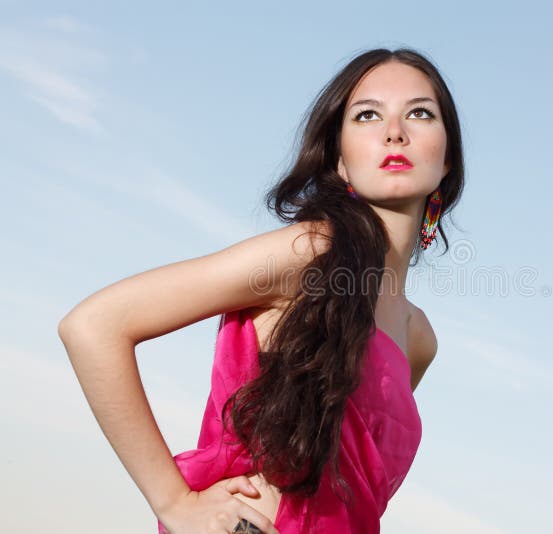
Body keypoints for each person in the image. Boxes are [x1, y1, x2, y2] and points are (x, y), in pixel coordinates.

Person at [58, 47, 464, 534]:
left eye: (419, 113)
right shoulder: (310, 253)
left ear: (447, 160)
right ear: (340, 160)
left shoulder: (419, 339)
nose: (394, 131)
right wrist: (173, 501)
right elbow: (94, 325)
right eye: (367, 115)